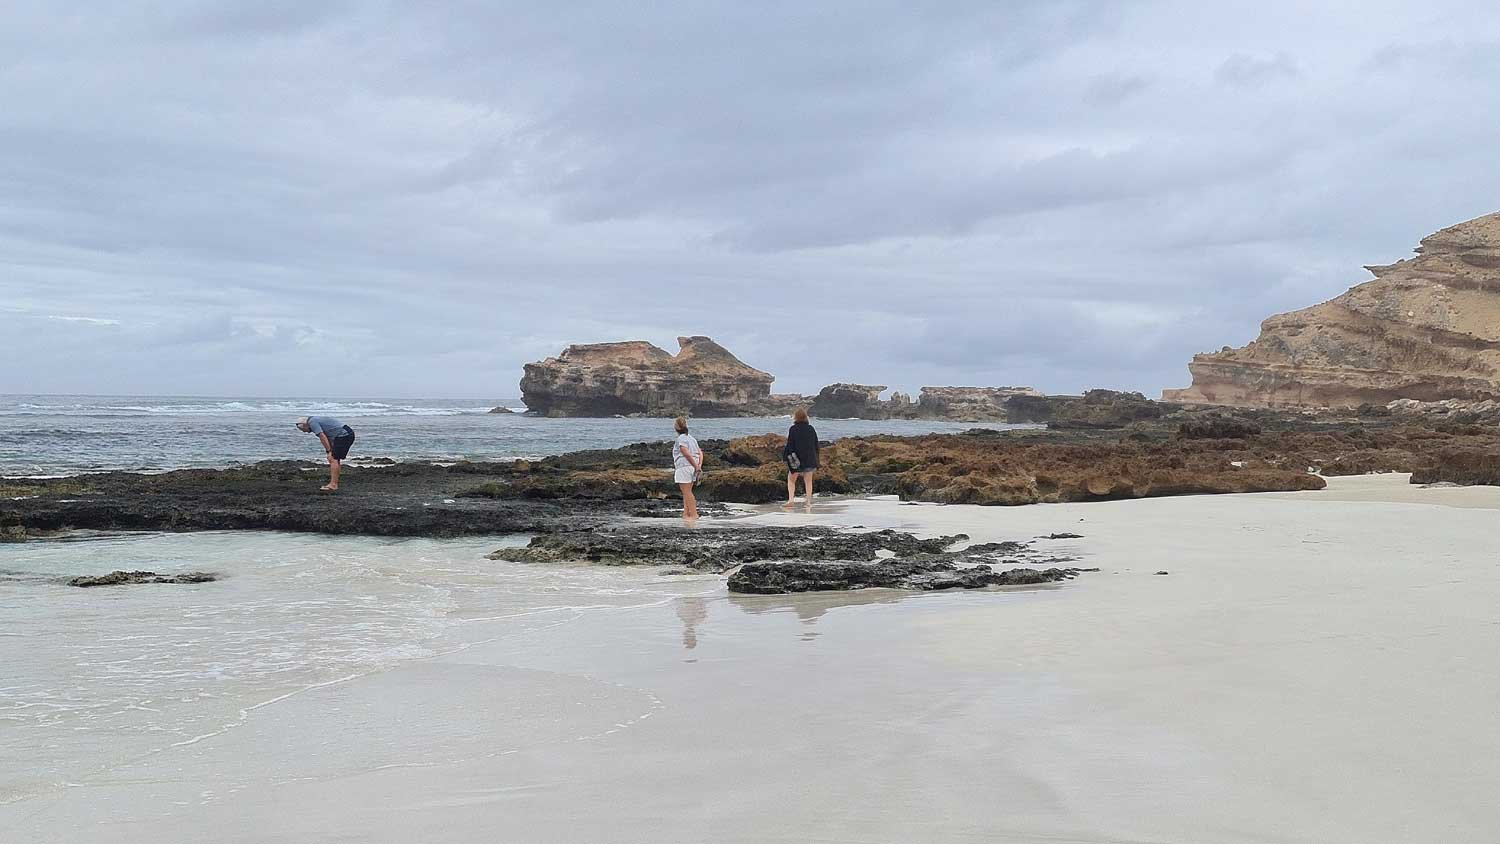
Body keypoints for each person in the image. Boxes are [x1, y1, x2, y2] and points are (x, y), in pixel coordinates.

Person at [296, 415, 356, 491]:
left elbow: (322, 436)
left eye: (303, 430)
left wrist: (328, 451)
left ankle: (333, 485)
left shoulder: (312, 422)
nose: (305, 432)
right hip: (345, 433)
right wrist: (330, 450)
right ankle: (334, 482)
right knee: (334, 459)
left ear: (305, 424)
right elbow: (329, 435)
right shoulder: (314, 419)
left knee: (333, 458)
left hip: (344, 435)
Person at [783, 408, 819, 507]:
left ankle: (791, 500)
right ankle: (808, 502)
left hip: (796, 459)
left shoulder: (793, 429)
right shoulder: (811, 428)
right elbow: (815, 444)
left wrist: (786, 456)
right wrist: (816, 459)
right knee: (808, 481)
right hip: (809, 459)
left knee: (791, 479)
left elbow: (790, 445)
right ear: (806, 417)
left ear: (796, 417)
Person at [672, 416, 704, 521]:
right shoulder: (692, 439)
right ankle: (686, 514)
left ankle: (694, 514)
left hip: (684, 467)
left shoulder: (681, 439)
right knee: (687, 492)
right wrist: (698, 465)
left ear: (676, 427)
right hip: (692, 467)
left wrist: (696, 466)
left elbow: (685, 452)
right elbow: (700, 453)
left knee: (687, 493)